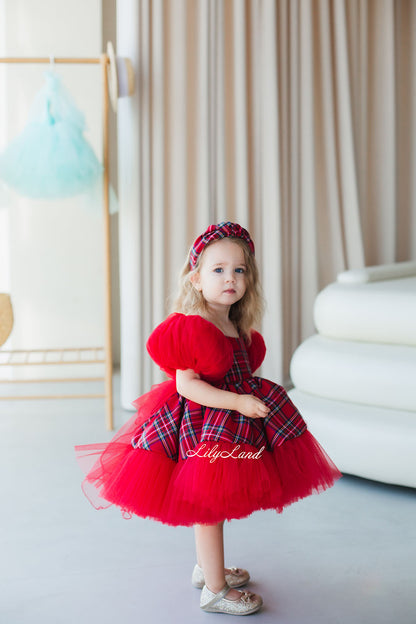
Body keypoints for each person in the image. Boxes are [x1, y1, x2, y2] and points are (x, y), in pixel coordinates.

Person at [76, 221, 342, 616]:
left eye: (239, 270)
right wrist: (238, 403)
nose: (230, 278)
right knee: (209, 508)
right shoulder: (193, 325)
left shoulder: (235, 325)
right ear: (196, 279)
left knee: (214, 504)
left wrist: (243, 401)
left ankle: (208, 568)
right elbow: (187, 386)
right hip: (207, 426)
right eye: (218, 269)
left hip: (232, 423)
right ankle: (215, 591)